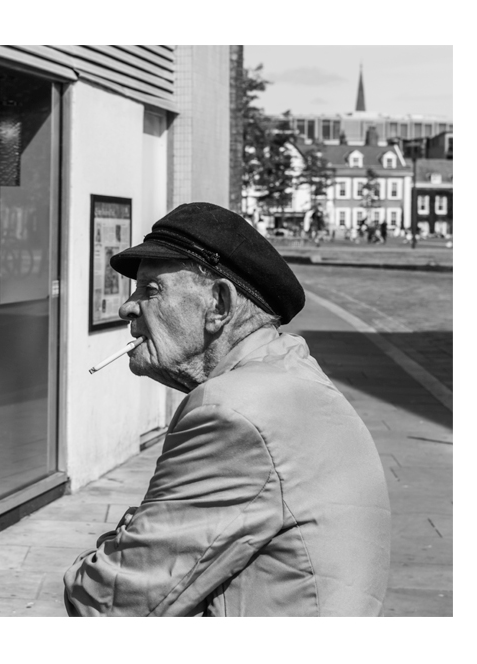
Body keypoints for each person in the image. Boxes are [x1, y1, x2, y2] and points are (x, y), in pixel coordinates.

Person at [63, 202, 391, 617]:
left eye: (150, 290)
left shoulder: (235, 410)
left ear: (218, 304)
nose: (127, 308)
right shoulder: (286, 374)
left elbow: (109, 600)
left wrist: (108, 550)